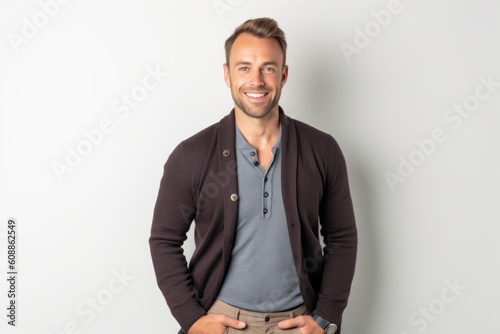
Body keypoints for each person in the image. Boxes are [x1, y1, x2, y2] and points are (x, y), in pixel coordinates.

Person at [149, 17, 357, 334]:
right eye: (244, 68)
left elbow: (342, 239)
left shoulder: (322, 150)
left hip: (299, 324)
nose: (256, 80)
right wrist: (192, 318)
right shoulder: (191, 155)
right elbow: (164, 240)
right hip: (222, 323)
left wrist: (325, 317)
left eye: (268, 68)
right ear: (227, 75)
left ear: (284, 75)